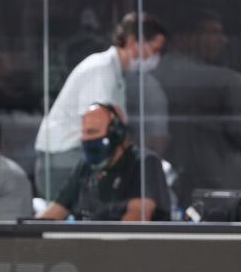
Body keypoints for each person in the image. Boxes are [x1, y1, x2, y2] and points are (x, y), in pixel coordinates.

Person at [34, 13, 166, 200]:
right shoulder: (101, 70)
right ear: (132, 42)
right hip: (63, 161)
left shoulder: (115, 72)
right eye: (153, 49)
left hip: (75, 157)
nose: (154, 57)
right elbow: (98, 126)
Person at [154, 8, 241, 205]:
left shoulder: (155, 75)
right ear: (186, 38)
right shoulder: (226, 81)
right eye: (213, 32)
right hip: (217, 192)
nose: (223, 40)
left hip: (182, 184)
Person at [37, 102, 170, 222]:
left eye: (92, 132)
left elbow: (137, 218)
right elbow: (55, 211)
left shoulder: (143, 162)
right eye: (83, 133)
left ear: (116, 133)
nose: (85, 139)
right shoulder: (85, 167)